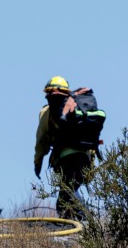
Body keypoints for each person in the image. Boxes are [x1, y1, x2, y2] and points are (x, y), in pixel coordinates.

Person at [34, 76, 94, 219]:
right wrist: (91, 166)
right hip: (84, 157)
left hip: (65, 159)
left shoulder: (47, 113)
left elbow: (41, 140)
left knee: (67, 193)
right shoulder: (79, 107)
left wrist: (37, 163)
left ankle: (86, 222)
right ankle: (75, 223)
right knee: (67, 193)